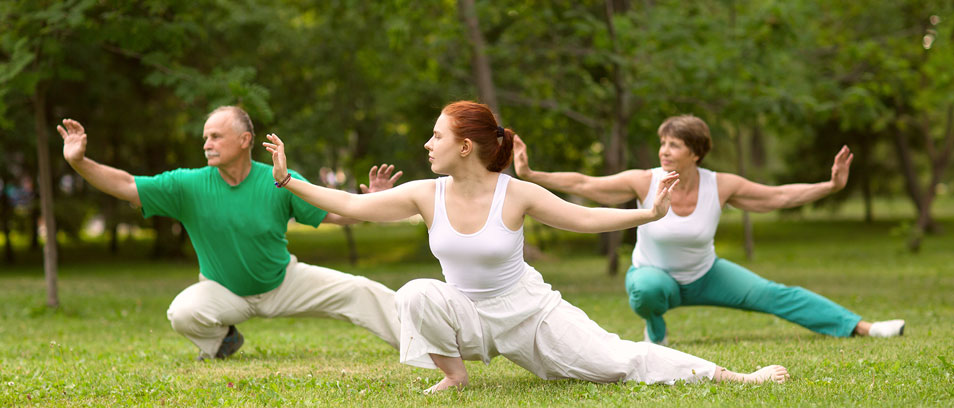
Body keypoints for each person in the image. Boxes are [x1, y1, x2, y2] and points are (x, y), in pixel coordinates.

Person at [263, 101, 790, 393]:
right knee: (416, 293)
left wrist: (648, 213)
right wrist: (289, 180)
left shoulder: (515, 193)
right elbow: (351, 207)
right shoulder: (426, 194)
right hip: (467, 313)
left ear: (464, 146)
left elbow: (583, 217)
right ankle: (455, 377)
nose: (427, 144)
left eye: (436, 136)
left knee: (618, 362)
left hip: (530, 314)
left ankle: (736, 376)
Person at [512, 114, 905, 345]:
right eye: (663, 143)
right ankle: (656, 329)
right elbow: (584, 184)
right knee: (648, 291)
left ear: (696, 153)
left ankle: (864, 327)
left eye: (675, 145)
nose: (665, 150)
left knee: (777, 295)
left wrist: (832, 186)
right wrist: (531, 174)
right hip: (655, 277)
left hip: (706, 274)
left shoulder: (722, 185)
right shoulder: (642, 180)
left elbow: (778, 197)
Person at [58, 106, 403, 360]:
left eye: (215, 136)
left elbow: (336, 214)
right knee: (182, 312)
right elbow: (127, 185)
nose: (207, 143)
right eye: (205, 137)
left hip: (284, 282)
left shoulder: (279, 179)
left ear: (245, 140)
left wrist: (373, 202)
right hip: (223, 291)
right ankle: (224, 340)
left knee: (360, 289)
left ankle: (421, 343)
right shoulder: (188, 185)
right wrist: (79, 163)